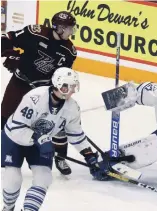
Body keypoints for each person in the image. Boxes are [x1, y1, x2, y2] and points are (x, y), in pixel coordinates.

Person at [1, 67, 108, 211]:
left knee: (44, 178)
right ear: (61, 86)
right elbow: (17, 128)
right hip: (14, 139)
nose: (73, 91)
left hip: (40, 143)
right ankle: (8, 208)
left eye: (74, 87)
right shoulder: (34, 97)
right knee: (13, 179)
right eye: (70, 87)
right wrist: (39, 138)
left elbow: (76, 134)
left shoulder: (72, 108)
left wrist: (89, 156)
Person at [1, 11, 77, 175]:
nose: (71, 32)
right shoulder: (35, 33)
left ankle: (60, 157)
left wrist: (55, 91)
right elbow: (6, 38)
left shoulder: (69, 51)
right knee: (5, 115)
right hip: (20, 82)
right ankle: (4, 150)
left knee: (56, 122)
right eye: (69, 28)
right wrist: (10, 54)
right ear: (58, 28)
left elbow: (62, 75)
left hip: (43, 90)